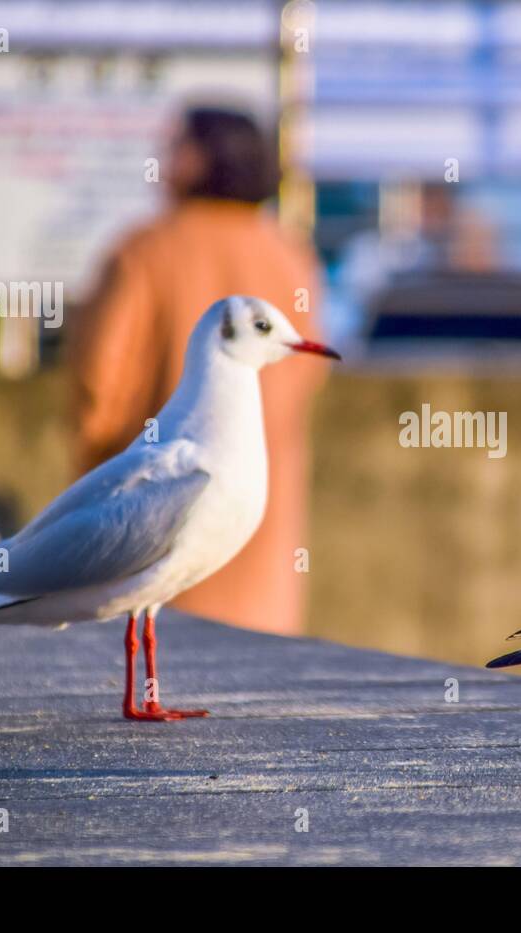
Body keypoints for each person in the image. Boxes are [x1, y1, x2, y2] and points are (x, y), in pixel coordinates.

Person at [68, 107, 328, 635]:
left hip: (151, 541)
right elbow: (304, 378)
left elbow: (98, 394)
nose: (162, 161)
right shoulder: (292, 254)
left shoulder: (144, 251)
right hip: (262, 544)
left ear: (203, 160)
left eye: (176, 146)